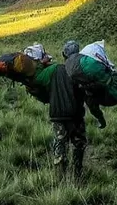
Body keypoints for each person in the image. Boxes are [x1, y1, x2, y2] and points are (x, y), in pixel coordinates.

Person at [23, 43, 87, 180]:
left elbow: (40, 83)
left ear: (64, 55)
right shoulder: (80, 71)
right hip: (76, 115)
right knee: (78, 145)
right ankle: (78, 176)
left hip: (58, 116)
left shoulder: (53, 70)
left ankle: (59, 178)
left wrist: (39, 65)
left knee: (59, 145)